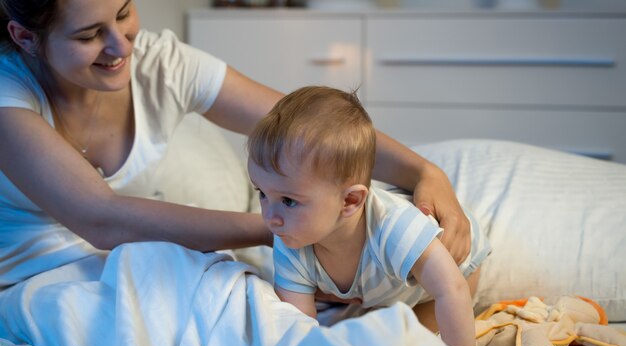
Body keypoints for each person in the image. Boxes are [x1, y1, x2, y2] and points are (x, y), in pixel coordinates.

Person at [0, 0, 469, 287]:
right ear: (24, 37)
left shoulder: (161, 63)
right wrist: (286, 226)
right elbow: (103, 219)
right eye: (87, 35)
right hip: (32, 282)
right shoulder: (8, 99)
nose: (121, 46)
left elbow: (309, 131)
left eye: (123, 13)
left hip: (124, 264)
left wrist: (425, 173)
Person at [247, 86, 492, 346]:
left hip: (458, 261)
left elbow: (452, 289)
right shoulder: (291, 240)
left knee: (419, 345)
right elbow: (297, 327)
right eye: (262, 193)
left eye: (288, 201)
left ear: (350, 201)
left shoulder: (395, 227)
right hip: (386, 287)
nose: (271, 217)